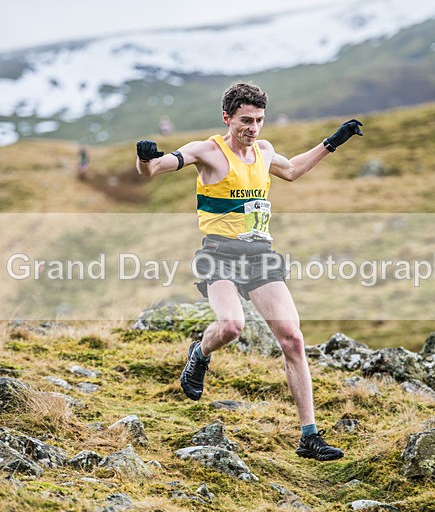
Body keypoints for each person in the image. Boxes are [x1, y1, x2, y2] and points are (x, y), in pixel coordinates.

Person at [135, 82, 362, 461]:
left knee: (292, 338)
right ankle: (200, 353)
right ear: (227, 117)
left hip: (259, 255)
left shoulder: (264, 151)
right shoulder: (208, 151)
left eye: (258, 120)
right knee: (231, 326)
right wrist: (145, 159)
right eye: (245, 120)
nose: (252, 128)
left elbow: (291, 170)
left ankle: (309, 436)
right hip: (219, 255)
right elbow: (155, 169)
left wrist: (333, 141)